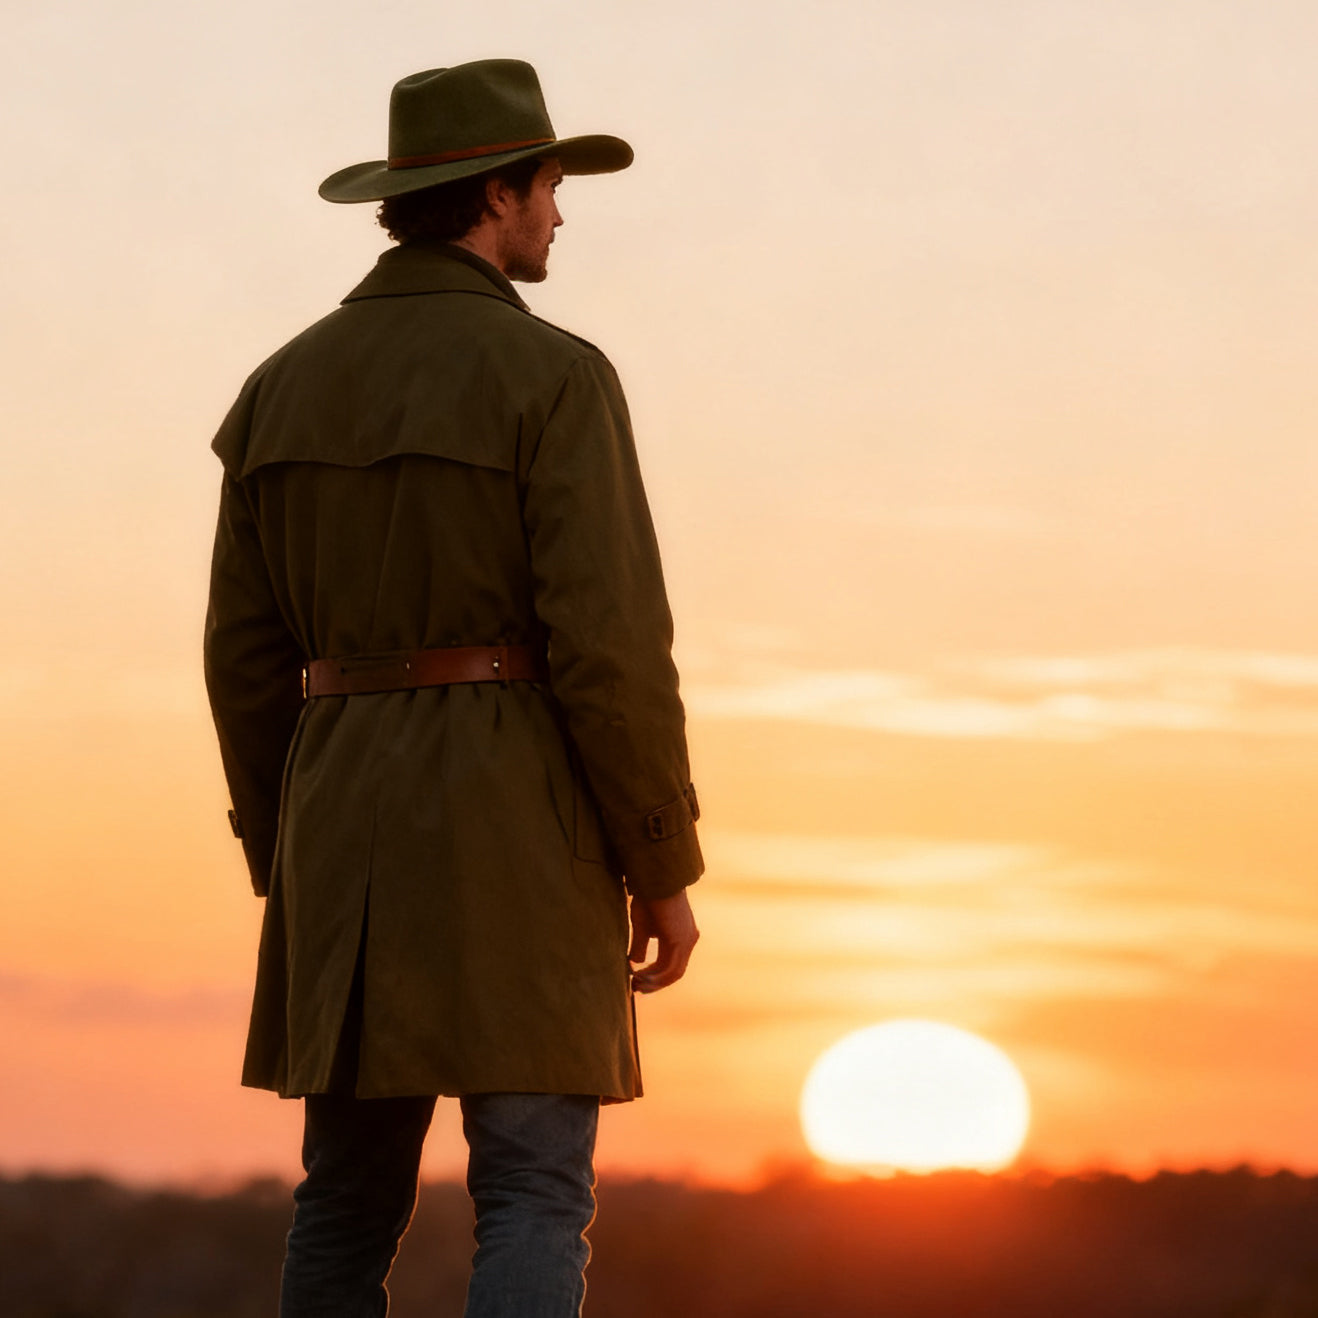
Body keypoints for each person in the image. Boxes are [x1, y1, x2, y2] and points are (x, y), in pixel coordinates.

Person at [203, 59, 703, 1318]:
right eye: (550, 186)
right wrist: (660, 859)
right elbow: (611, 647)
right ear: (495, 193)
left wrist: (283, 852)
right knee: (533, 1190)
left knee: (343, 1199)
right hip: (515, 826)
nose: (560, 215)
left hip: (338, 835)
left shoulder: (274, 389)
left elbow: (242, 661)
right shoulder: (555, 375)